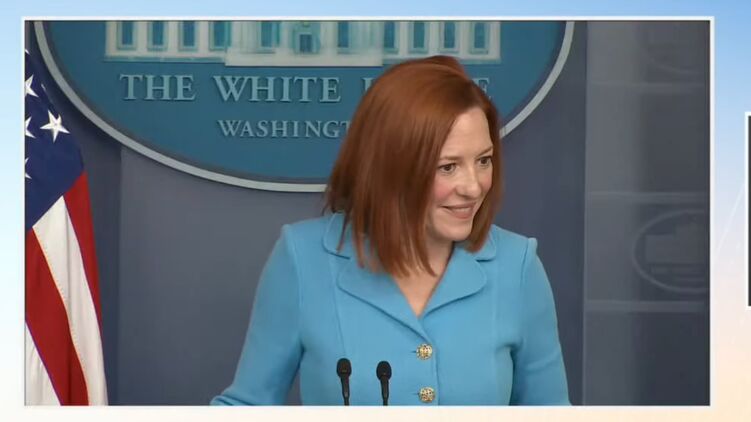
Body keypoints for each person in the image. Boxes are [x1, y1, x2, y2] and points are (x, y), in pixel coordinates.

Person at [211, 55, 569, 405]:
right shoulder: (302, 259)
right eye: (448, 167)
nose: (473, 187)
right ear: (391, 167)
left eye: (484, 161)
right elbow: (246, 408)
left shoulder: (518, 267)